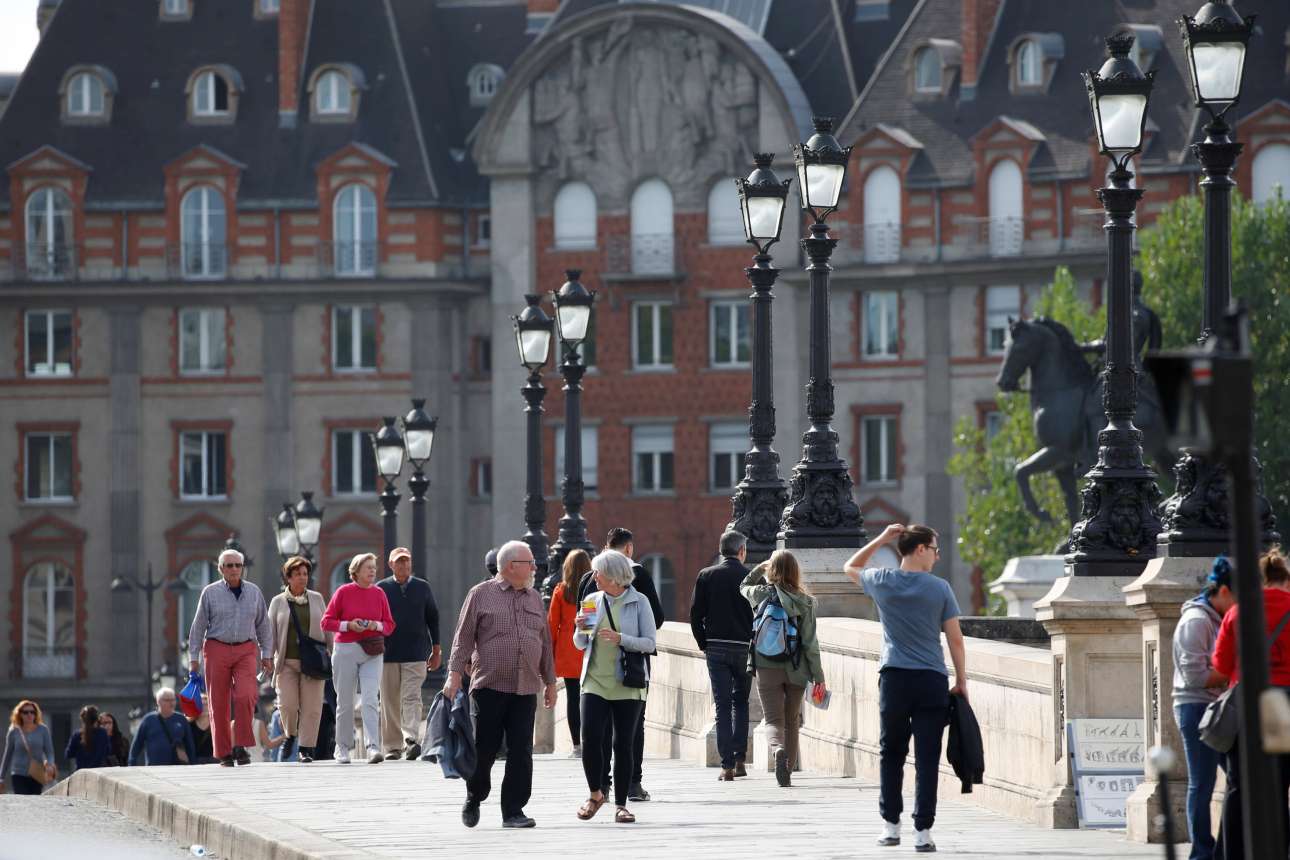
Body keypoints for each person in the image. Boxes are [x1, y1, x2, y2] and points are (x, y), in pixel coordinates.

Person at [843, 523, 966, 854]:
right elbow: (955, 638)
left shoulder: (881, 580)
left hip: (895, 677)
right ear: (921, 549)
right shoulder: (940, 588)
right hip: (931, 680)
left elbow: (850, 566)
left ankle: (891, 826)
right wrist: (962, 680)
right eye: (936, 549)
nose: (938, 556)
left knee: (891, 753)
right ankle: (923, 831)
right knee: (927, 758)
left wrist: (882, 539)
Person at [444, 539, 557, 829]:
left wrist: (550, 682)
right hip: (489, 686)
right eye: (529, 562)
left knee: (521, 751)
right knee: (485, 748)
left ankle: (513, 811)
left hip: (525, 686)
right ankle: (474, 796)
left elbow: (543, 643)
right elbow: (463, 637)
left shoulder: (533, 597)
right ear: (510, 566)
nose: (535, 566)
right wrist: (455, 675)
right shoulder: (481, 594)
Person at [1211, 548, 1290, 860]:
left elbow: (1221, 665)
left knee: (1238, 787)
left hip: (1247, 706)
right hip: (1286, 705)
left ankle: (1234, 854)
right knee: (1282, 787)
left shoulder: (1238, 613)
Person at [578, 527, 666, 801]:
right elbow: (581, 642)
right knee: (594, 734)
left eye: (599, 574)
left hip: (628, 676)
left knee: (623, 739)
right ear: (628, 548)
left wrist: (621, 638)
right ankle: (605, 787)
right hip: (594, 678)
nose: (594, 578)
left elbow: (650, 637)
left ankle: (621, 790)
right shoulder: (593, 598)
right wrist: (581, 629)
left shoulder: (638, 600)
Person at [741, 551, 826, 788]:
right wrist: (819, 676)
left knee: (773, 720)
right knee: (792, 720)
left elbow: (743, 585)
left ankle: (777, 749)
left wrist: (760, 567)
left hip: (766, 665)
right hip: (797, 668)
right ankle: (786, 771)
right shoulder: (805, 601)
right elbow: (810, 643)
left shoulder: (761, 594)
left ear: (773, 570)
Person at [1172, 555, 1235, 860]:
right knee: (1202, 782)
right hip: (1196, 708)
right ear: (1223, 591)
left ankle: (1224, 847)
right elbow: (1194, 676)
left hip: (1220, 707)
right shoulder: (1196, 621)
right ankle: (1201, 852)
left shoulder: (1220, 618)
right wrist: (1227, 673)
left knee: (1237, 778)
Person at [187, 547, 274, 767]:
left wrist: (266, 654)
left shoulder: (254, 592)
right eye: (229, 565)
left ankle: (241, 746)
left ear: (242, 568)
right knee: (218, 702)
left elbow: (263, 624)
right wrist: (193, 659)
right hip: (216, 648)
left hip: (246, 649)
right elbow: (198, 628)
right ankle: (224, 752)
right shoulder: (209, 592)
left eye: (238, 565)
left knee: (246, 695)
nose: (234, 569)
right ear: (221, 569)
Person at [689, 529, 753, 780]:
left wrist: (703, 642)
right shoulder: (749, 577)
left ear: (720, 550)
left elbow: (696, 614)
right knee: (741, 703)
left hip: (716, 646)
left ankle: (726, 765)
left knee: (723, 706)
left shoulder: (706, 575)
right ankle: (740, 759)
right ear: (741, 551)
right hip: (743, 647)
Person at [321, 552, 396, 764]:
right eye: (368, 568)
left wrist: (376, 625)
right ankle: (342, 748)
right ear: (356, 571)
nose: (373, 571)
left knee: (371, 699)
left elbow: (390, 625)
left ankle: (373, 747)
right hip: (345, 649)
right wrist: (348, 625)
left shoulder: (379, 593)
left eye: (374, 567)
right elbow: (326, 622)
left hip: (372, 651)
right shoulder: (343, 592)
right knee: (345, 701)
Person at [378, 546, 442, 761]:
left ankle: (411, 740)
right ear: (390, 565)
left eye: (407, 561)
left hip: (416, 654)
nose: (404, 565)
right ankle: (392, 747)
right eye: (399, 561)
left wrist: (436, 649)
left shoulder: (423, 588)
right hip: (387, 654)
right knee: (389, 701)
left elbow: (433, 618)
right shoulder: (381, 589)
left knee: (411, 696)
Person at [268, 555, 331, 763]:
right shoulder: (278, 602)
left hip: (312, 662)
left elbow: (326, 628)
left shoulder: (317, 598)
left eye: (305, 574)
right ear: (288, 577)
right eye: (297, 574)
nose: (303, 578)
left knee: (312, 708)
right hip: (286, 662)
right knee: (287, 704)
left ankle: (305, 749)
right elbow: (271, 634)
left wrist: (331, 651)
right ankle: (291, 734)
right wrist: (267, 656)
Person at [549, 549, 592, 758]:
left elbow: (551, 625)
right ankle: (592, 740)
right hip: (588, 651)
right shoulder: (592, 592)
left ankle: (577, 746)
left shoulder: (560, 591)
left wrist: (550, 654)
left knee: (573, 699)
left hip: (567, 651)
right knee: (592, 698)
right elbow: (590, 625)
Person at [128, 687, 197, 767]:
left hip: (177, 768)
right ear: (158, 701)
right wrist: (131, 763)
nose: (171, 703)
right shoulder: (148, 720)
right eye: (167, 700)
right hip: (154, 768)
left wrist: (193, 765)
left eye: (173, 700)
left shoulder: (181, 719)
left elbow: (190, 745)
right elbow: (137, 745)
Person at [1, 700, 55, 794]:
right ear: (20, 714)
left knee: (35, 800)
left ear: (36, 714)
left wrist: (50, 764)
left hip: (37, 773)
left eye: (32, 712)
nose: (29, 715)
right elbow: (7, 755)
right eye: (26, 712)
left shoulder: (43, 730)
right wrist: (1, 777)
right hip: (18, 774)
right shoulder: (14, 731)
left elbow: (49, 751)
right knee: (22, 800)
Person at [65, 704, 110, 771]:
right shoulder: (102, 733)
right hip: (98, 772)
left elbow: (68, 754)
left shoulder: (77, 735)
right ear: (96, 719)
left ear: (82, 719)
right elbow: (108, 751)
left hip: (81, 773)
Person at [188, 696, 216, 764]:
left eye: (207, 704)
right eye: (201, 705)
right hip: (195, 763)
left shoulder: (216, 725)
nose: (204, 707)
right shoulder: (188, 725)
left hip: (214, 762)